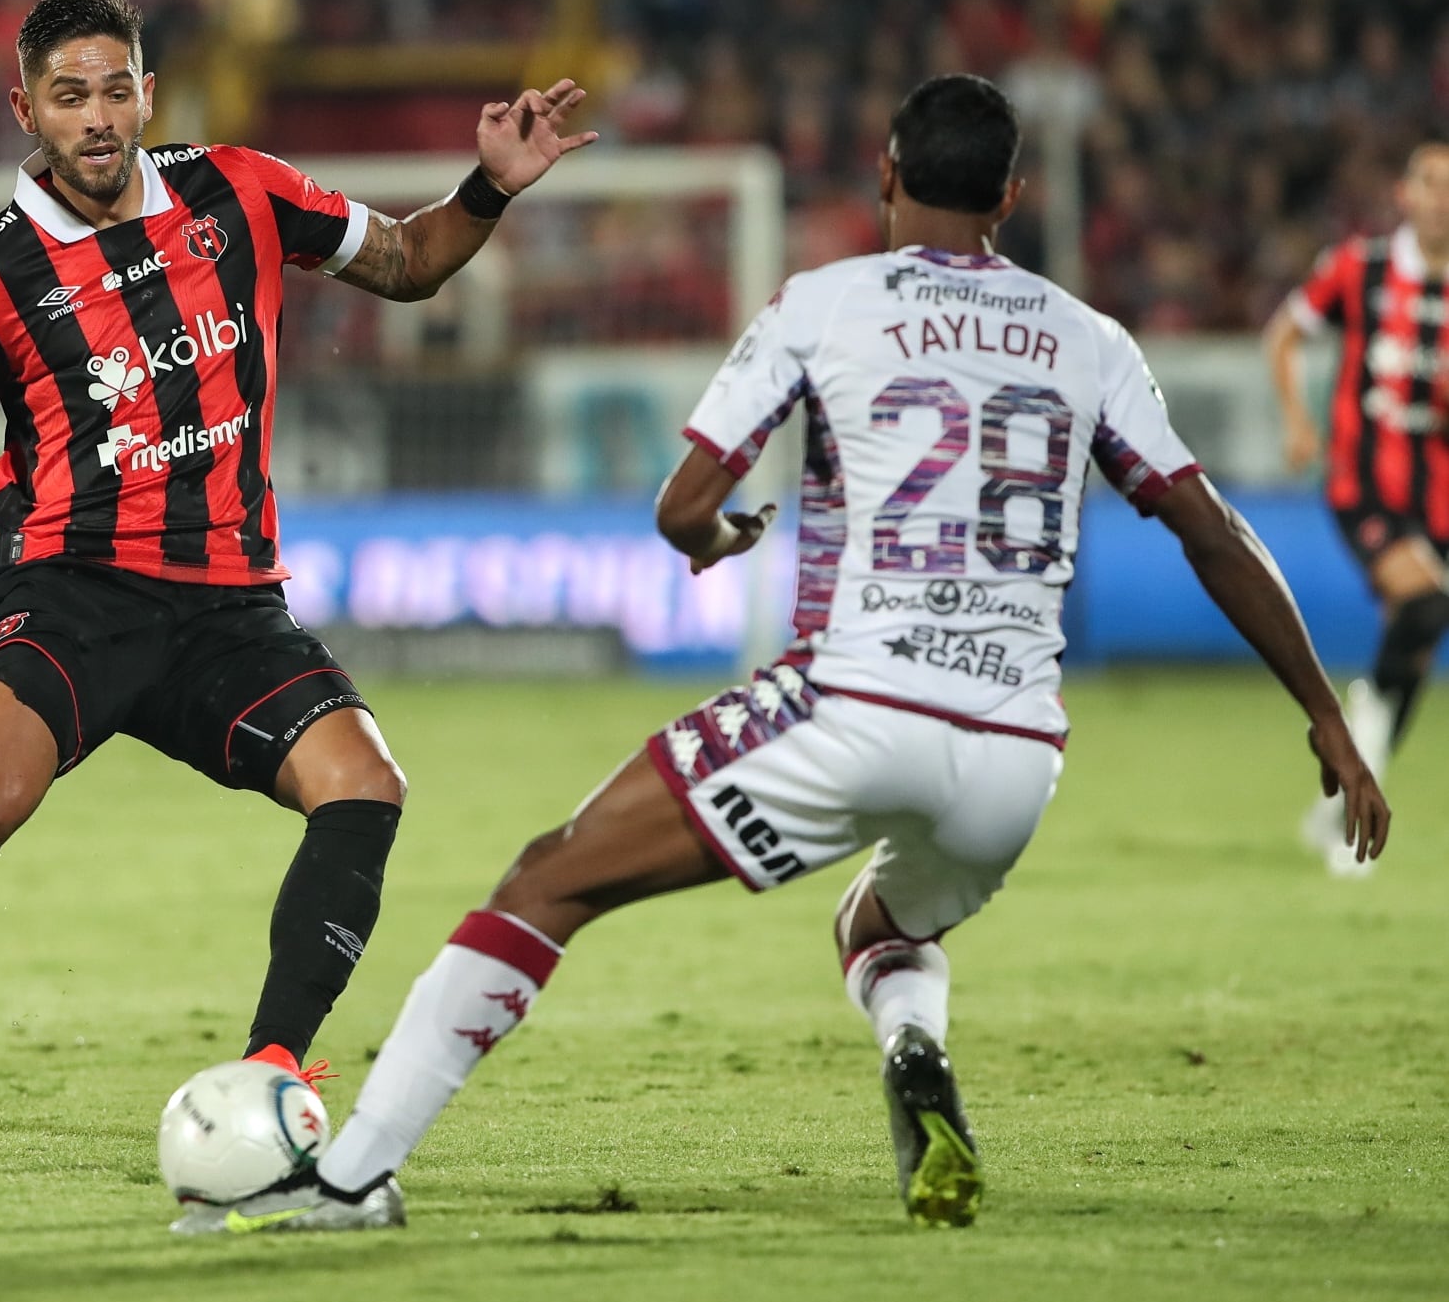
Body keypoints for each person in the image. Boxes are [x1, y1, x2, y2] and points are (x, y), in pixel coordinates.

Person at [181, 74, 1391, 1235]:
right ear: (1012, 197)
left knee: (546, 883)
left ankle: (347, 1181)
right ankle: (916, 1056)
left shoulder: (826, 302)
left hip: (854, 704)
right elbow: (1211, 528)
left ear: (884, 174)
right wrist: (1327, 713)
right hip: (1017, 753)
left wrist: (718, 535)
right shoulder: (1089, 340)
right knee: (881, 927)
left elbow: (681, 503)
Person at [0, 0, 597, 1148]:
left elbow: (404, 263)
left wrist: (489, 185)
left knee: (365, 786)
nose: (95, 117)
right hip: (68, 591)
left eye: (113, 89)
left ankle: (273, 1072)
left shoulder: (237, 187)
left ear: (147, 92)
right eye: (67, 94)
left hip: (229, 603)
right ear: (25, 109)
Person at [1265, 142, 1449, 877]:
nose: (1441, 197)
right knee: (1425, 609)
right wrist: (1296, 421)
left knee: (1408, 655)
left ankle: (1337, 790)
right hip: (1362, 483)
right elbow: (1282, 334)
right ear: (1403, 194)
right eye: (1430, 183)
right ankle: (1351, 826)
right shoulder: (1357, 267)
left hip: (1434, 495)